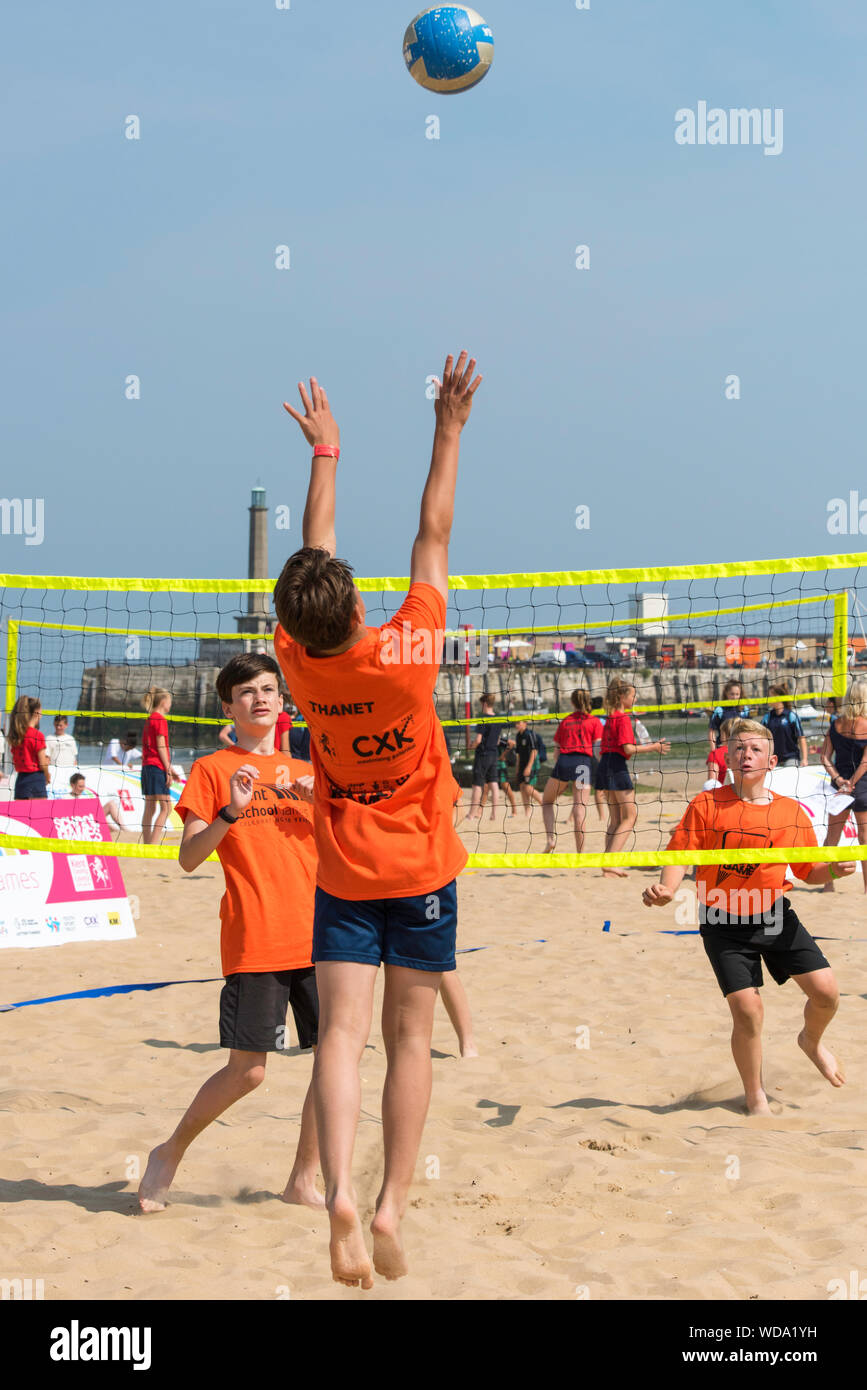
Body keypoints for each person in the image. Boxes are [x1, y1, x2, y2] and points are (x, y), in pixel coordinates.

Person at [272, 354, 481, 1288]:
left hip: (343, 875)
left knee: (341, 1043)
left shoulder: (298, 662)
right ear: (358, 606)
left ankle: (337, 1194)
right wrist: (448, 428)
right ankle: (390, 1200)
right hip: (421, 869)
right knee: (409, 1041)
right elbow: (430, 532)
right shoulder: (405, 651)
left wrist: (326, 455)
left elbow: (313, 559)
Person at [138, 652, 322, 1213]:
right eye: (247, 692)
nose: (260, 698)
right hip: (257, 935)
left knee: (333, 1061)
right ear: (229, 706)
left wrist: (330, 810)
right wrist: (230, 813)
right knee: (249, 1072)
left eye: (269, 689)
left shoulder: (311, 773)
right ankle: (168, 1153)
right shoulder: (215, 769)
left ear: (283, 702)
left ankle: (302, 1181)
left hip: (325, 938)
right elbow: (189, 857)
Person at [643, 719, 852, 1115]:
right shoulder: (706, 805)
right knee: (748, 1010)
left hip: (773, 914)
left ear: (771, 760)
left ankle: (810, 1040)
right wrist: (668, 889)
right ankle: (755, 1097)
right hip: (722, 920)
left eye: (754, 749)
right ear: (727, 757)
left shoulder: (789, 813)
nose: (745, 755)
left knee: (826, 994)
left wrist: (834, 871)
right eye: (737, 748)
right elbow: (680, 855)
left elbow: (809, 871)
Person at [597, 679, 670, 878]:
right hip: (616, 766)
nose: (635, 698)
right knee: (630, 817)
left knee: (616, 819)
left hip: (605, 764)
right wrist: (654, 747)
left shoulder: (610, 717)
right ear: (622, 696)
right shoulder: (621, 718)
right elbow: (628, 749)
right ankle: (611, 862)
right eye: (633, 695)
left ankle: (607, 865)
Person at [820, 680, 867, 894]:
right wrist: (852, 783)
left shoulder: (835, 723)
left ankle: (827, 884)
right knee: (864, 838)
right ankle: (866, 888)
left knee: (832, 837)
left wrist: (840, 780)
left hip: (838, 786)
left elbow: (824, 757)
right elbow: (865, 762)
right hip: (862, 785)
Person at [542, 690, 603, 853]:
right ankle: (580, 853)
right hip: (583, 763)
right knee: (579, 809)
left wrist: (563, 775)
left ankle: (550, 840)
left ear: (572, 702)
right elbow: (598, 749)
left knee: (547, 801)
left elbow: (555, 753)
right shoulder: (594, 721)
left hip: (564, 761)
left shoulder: (565, 721)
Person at [141, 687, 175, 845]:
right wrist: (168, 768)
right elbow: (161, 747)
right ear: (163, 702)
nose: (171, 705)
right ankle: (153, 844)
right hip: (156, 767)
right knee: (166, 807)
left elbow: (153, 747)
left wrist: (170, 768)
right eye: (170, 701)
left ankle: (147, 843)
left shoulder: (150, 719)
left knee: (150, 807)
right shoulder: (160, 719)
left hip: (147, 766)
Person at [465, 694, 505, 821]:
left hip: (482, 755)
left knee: (477, 785)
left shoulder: (483, 718)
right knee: (494, 784)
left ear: (484, 704)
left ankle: (471, 814)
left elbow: (478, 739)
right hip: (494, 754)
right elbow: (498, 741)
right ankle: (494, 815)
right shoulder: (498, 718)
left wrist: (471, 746)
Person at [8, 696, 49, 799]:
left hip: (21, 780)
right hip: (36, 778)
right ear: (36, 713)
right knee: (40, 814)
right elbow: (43, 763)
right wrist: (47, 775)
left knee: (20, 814)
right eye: (41, 711)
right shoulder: (37, 735)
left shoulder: (16, 735)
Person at [761, 683, 807, 768]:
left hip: (791, 757)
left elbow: (801, 737)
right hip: (773, 758)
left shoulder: (791, 716)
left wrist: (805, 759)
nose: (767, 698)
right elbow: (760, 739)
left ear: (778, 697)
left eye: (770, 696)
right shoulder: (767, 718)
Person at [512, 718, 543, 814]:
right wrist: (517, 769)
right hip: (522, 764)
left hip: (532, 764)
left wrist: (529, 767)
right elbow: (518, 755)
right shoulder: (518, 736)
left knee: (528, 788)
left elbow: (534, 751)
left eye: (518, 722)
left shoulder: (530, 734)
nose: (516, 725)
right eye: (515, 723)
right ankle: (527, 812)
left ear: (525, 723)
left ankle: (544, 804)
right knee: (522, 786)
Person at [708, 680, 751, 750]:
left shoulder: (745, 709)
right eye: (732, 694)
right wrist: (713, 751)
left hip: (741, 747)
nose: (734, 697)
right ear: (726, 694)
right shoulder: (719, 710)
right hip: (723, 747)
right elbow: (711, 731)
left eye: (737, 694)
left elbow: (749, 730)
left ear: (740, 695)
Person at [705, 718, 735, 786]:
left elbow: (712, 783)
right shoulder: (746, 752)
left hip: (722, 793)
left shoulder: (715, 754)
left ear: (724, 735)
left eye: (720, 733)